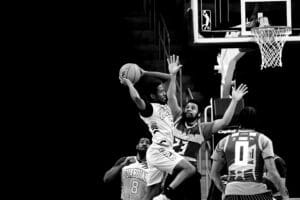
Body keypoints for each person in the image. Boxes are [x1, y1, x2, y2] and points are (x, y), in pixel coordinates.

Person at [119, 55, 196, 200]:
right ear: (153, 96)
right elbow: (136, 99)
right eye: (161, 91)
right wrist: (130, 84)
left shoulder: (166, 106)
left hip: (159, 152)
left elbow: (169, 78)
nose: (164, 93)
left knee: (151, 192)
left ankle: (160, 194)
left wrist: (144, 72)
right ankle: (166, 195)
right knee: (189, 169)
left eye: (163, 90)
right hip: (159, 150)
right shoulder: (150, 110)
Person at [165, 84, 248, 200]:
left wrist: (234, 101)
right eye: (187, 107)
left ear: (199, 115)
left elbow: (224, 122)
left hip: (189, 174)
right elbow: (171, 98)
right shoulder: (177, 118)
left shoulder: (202, 128)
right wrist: (173, 75)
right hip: (171, 170)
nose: (189, 109)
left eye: (193, 108)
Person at [210, 106, 289, 200]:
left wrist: (224, 191)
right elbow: (272, 172)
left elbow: (214, 174)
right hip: (257, 193)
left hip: (232, 193)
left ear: (239, 122)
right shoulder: (263, 140)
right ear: (256, 121)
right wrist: (284, 195)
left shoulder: (224, 141)